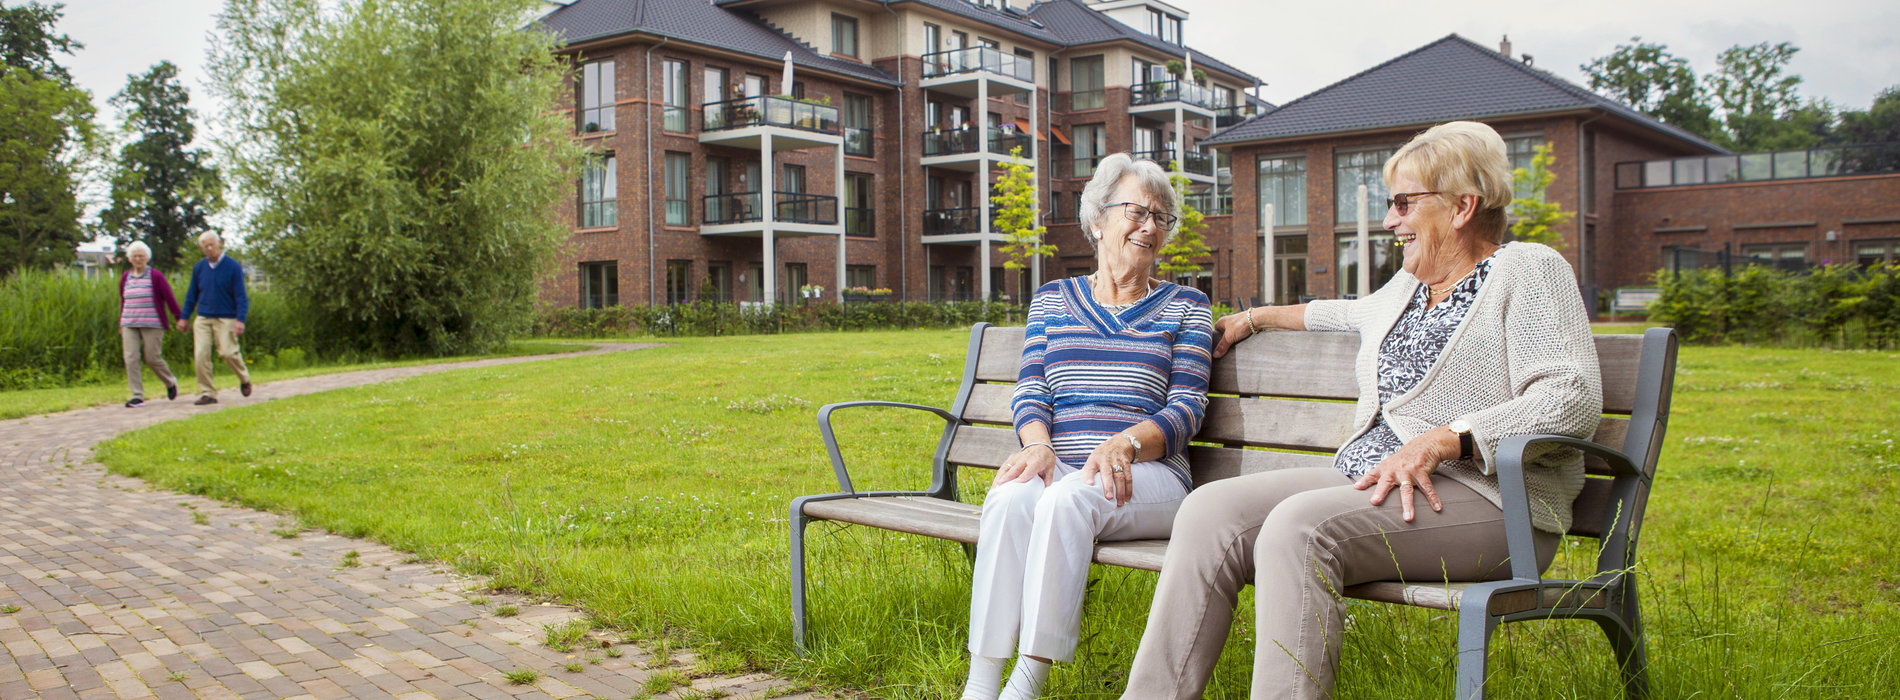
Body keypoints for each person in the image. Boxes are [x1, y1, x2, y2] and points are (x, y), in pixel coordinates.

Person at [1120, 121, 1603, 699]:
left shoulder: (1528, 270)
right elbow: (1339, 313)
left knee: (1299, 531)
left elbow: (1570, 396)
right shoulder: (1405, 288)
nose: (1389, 220)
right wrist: (1256, 317)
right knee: (1209, 510)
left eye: (1404, 203)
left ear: (1462, 207)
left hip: (1493, 503)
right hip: (1377, 480)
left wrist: (1447, 438)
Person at [962, 153, 1214, 700]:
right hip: (1068, 466)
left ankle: (1026, 685)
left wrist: (1124, 444)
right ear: (1098, 221)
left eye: (1160, 218)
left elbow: (1187, 408)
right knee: (1009, 498)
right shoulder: (1053, 300)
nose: (1149, 226)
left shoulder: (1187, 306)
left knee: (1068, 500)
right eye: (1136, 212)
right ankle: (980, 683)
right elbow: (1032, 389)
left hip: (1150, 477)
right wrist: (1037, 446)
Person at [175, 231, 253, 405]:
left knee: (227, 352)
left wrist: (240, 319)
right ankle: (208, 392)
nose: (210, 249)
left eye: (212, 244)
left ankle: (244, 378)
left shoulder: (232, 266)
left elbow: (241, 296)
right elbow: (192, 294)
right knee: (201, 354)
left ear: (219, 244)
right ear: (201, 248)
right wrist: (184, 317)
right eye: (206, 246)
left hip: (226, 317)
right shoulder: (200, 268)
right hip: (203, 316)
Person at [117, 241, 180, 407]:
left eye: (141, 256)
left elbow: (169, 298)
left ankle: (170, 381)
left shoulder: (156, 276)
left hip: (152, 322)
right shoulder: (125, 277)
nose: (138, 259)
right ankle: (137, 395)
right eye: (135, 256)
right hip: (129, 322)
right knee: (131, 358)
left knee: (152, 357)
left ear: (147, 258)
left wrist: (178, 317)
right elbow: (123, 301)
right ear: (130, 259)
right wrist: (120, 322)